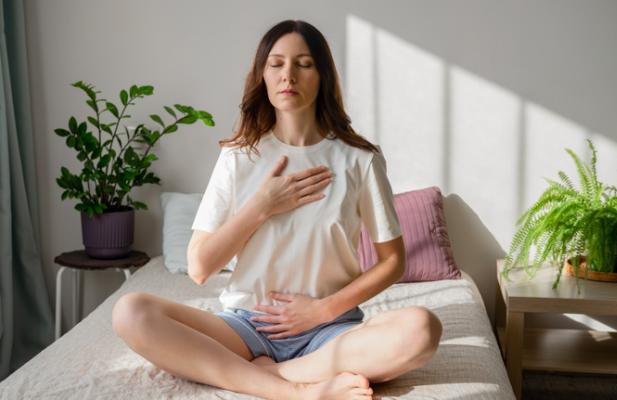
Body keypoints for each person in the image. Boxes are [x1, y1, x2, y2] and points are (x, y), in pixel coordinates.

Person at [112, 19, 442, 400]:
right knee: (131, 311)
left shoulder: (358, 159)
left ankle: (276, 375)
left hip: (331, 328)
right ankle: (299, 391)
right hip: (246, 326)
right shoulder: (239, 156)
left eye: (303, 64)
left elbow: (392, 262)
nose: (289, 75)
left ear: (323, 76)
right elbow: (201, 267)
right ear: (262, 75)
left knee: (422, 328)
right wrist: (262, 205)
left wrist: (321, 310)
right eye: (276, 64)